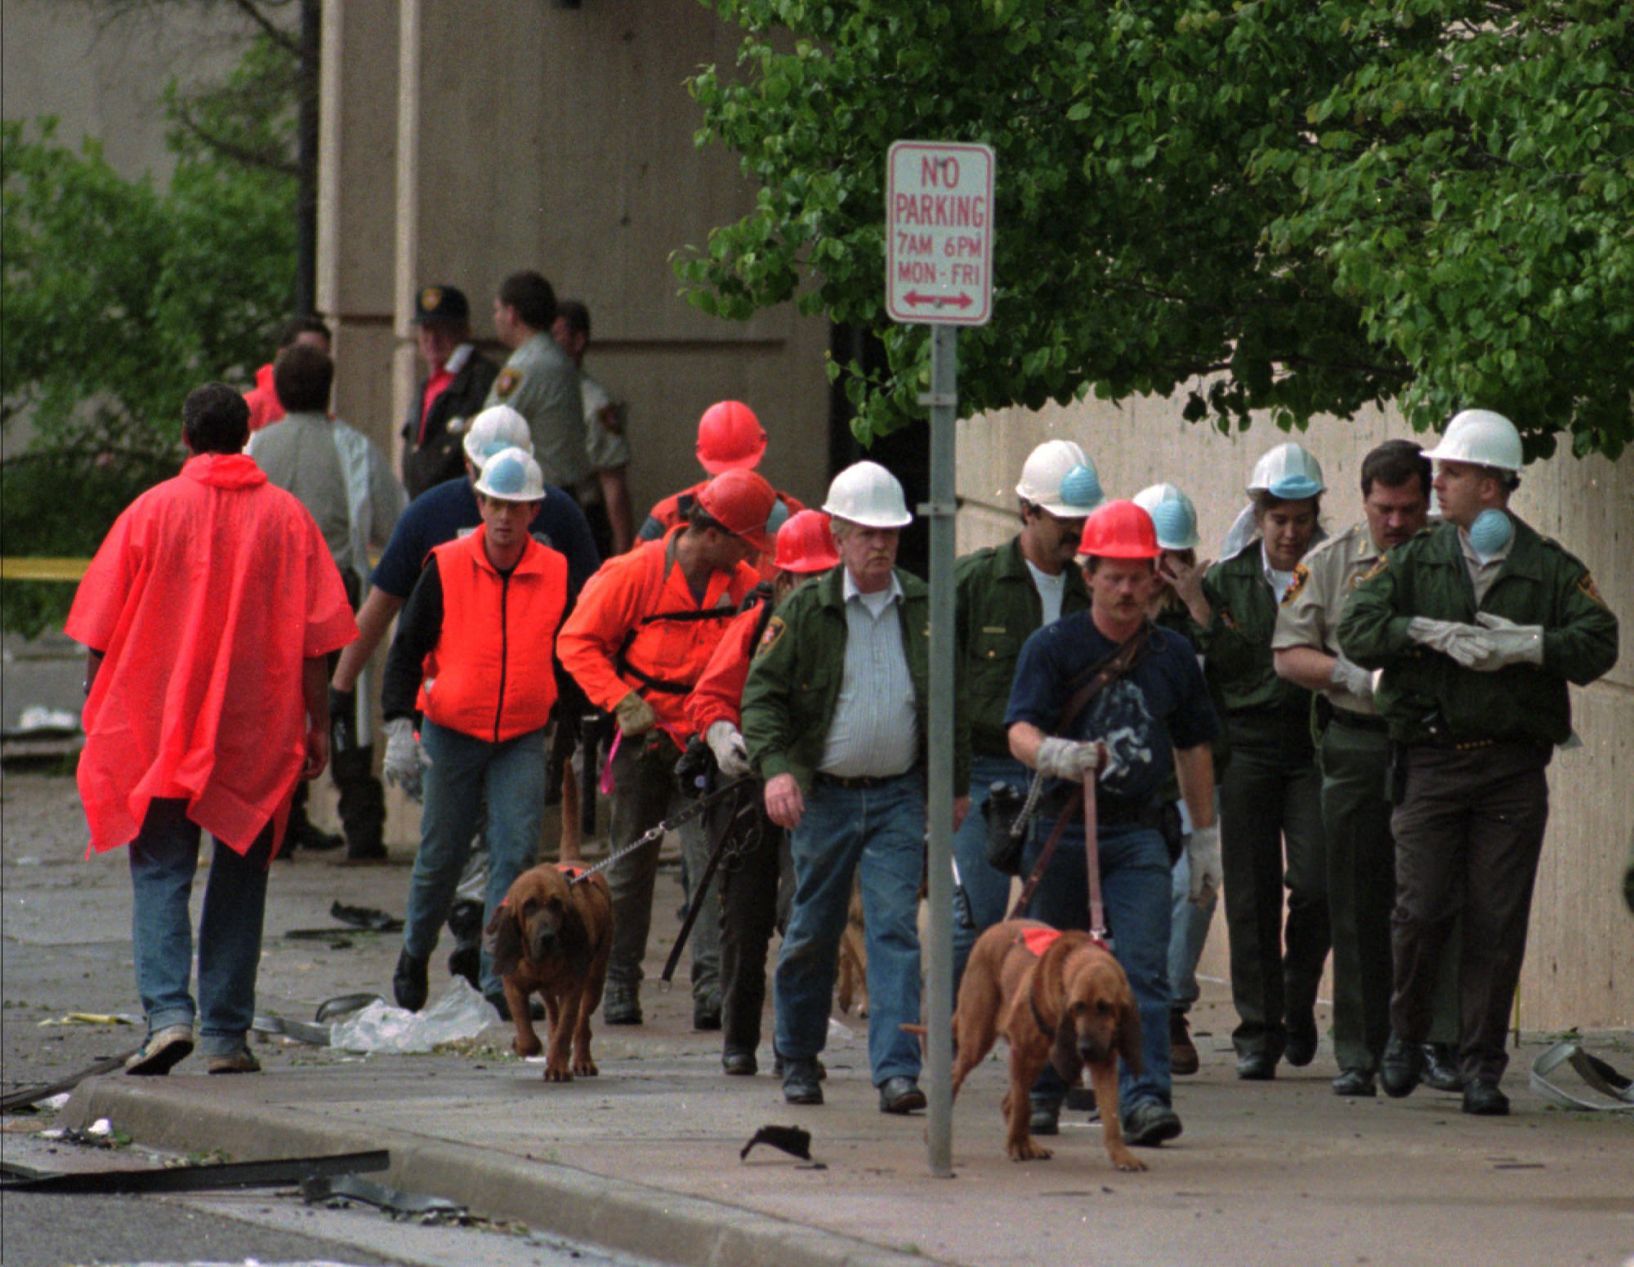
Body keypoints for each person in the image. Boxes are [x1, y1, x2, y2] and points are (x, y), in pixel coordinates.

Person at [65, 383, 356, 1075]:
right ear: (247, 434)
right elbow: (318, 638)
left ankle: (168, 1015)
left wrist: (97, 706)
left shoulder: (150, 511)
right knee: (242, 871)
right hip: (254, 727)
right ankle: (226, 1033)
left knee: (161, 865)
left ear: (187, 436)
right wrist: (317, 723)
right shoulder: (289, 520)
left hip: (160, 723)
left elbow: (100, 627)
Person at [1338, 409, 1618, 1116]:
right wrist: (1420, 631)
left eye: (1454, 472)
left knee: (1497, 920)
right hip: (1432, 758)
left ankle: (1480, 1064)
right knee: (1420, 908)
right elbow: (1357, 627)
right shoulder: (1416, 558)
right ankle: (1404, 1035)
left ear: (1492, 485)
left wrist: (1530, 645)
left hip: (1511, 768)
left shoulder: (1546, 566)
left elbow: (1600, 642)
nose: (1439, 482)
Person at [741, 461, 971, 1115]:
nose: (880, 545)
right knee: (813, 928)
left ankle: (896, 1069)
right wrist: (778, 769)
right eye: (867, 533)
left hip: (900, 793)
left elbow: (948, 699)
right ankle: (798, 1054)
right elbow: (762, 697)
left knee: (895, 928)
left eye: (890, 533)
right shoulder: (806, 611)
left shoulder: (925, 606)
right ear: (838, 536)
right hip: (828, 795)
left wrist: (952, 784)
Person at [1004, 499, 1219, 1147]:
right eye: (1113, 575)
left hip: (1137, 834)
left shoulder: (1173, 655)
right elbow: (1016, 728)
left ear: (1157, 578)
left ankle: (1145, 1095)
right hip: (1061, 832)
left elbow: (1194, 749)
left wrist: (1205, 839)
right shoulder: (1053, 646)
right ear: (1088, 573)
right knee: (1050, 969)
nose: (1126, 589)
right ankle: (1041, 1091)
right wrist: (1050, 753)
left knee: (1144, 966)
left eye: (1138, 575)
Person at [1271, 440, 1463, 1098]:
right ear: (1364, 502)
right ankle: (1359, 1048)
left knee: (1433, 897)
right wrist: (1346, 672)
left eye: (1410, 508)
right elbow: (1288, 653)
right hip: (1357, 740)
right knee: (1353, 897)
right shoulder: (1329, 563)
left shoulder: (1455, 555)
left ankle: (1438, 1040)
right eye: (1384, 509)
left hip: (1438, 744)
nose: (1397, 522)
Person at [558, 469, 774, 1029]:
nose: (749, 554)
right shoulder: (634, 575)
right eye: (744, 542)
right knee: (629, 869)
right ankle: (619, 984)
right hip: (643, 741)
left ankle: (711, 991)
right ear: (712, 535)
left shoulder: (742, 585)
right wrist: (621, 701)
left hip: (705, 741)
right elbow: (575, 642)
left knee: (710, 867)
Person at [380, 447, 571, 1018]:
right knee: (440, 857)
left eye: (515, 506)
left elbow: (570, 652)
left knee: (514, 856)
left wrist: (573, 734)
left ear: (534, 510)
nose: (504, 517)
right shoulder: (447, 565)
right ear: (480, 504)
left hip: (521, 733)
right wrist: (398, 726)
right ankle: (415, 953)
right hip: (452, 730)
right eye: (493, 504)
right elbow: (407, 649)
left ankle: (499, 977)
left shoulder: (555, 572)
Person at [686, 509, 841, 1076]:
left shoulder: (853, 631)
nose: (821, 590)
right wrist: (722, 735)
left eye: (829, 577)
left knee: (806, 916)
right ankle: (739, 1040)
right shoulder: (754, 627)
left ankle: (795, 1046)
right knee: (744, 920)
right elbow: (708, 698)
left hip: (817, 790)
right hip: (748, 789)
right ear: (783, 582)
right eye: (810, 578)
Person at [1197, 441, 1329, 1081]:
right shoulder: (1226, 579)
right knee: (1249, 895)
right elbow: (1211, 663)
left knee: (1316, 883)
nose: (1290, 532)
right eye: (1279, 519)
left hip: (1309, 746)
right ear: (1258, 516)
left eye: (1301, 519)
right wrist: (1200, 613)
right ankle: (1258, 1032)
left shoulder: (1334, 570)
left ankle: (1297, 1000)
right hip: (1245, 746)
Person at [951, 440, 1100, 989]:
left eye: (1083, 521)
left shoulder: (1094, 595)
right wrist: (946, 782)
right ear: (1027, 511)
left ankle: (1048, 1049)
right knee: (973, 921)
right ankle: (946, 1040)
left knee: (1063, 927)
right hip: (986, 775)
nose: (1076, 533)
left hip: (1059, 777)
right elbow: (936, 683)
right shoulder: (975, 583)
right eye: (1064, 520)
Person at [248, 343, 405, 861]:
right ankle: (363, 830)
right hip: (335, 596)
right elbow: (392, 522)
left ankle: (279, 828)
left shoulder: (255, 449)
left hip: (268, 600)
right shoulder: (352, 448)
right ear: (327, 388)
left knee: (277, 708)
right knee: (342, 707)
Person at [1130, 481, 1224, 1079]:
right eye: (1155, 562)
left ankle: (1169, 1005)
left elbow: (1238, 671)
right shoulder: (1117, 607)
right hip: (1131, 771)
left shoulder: (1203, 610)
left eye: (1177, 561)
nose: (1165, 574)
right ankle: (1141, 1005)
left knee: (1197, 881)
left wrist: (1197, 609)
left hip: (1191, 769)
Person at [636, 400, 804, 576]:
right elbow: (639, 578)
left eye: (740, 475)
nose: (731, 484)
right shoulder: (668, 515)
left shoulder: (789, 518)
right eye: (722, 477)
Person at [486, 270, 592, 504]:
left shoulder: (526, 365)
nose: (495, 318)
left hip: (538, 495)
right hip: (565, 492)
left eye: (497, 310)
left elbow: (490, 426)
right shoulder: (556, 357)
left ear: (512, 314)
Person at [400, 284, 500, 498]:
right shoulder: (426, 384)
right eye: (426, 329)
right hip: (423, 504)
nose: (432, 339)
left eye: (442, 329)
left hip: (461, 503)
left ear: (464, 331)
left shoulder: (482, 379)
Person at [552, 299, 634, 556]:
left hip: (581, 517)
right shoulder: (540, 393)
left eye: (556, 336)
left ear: (578, 341)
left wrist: (622, 553)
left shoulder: (594, 403)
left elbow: (613, 484)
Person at [243, 316, 331, 433]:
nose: (315, 362)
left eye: (322, 355)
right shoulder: (250, 407)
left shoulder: (325, 417)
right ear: (282, 355)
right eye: (305, 354)